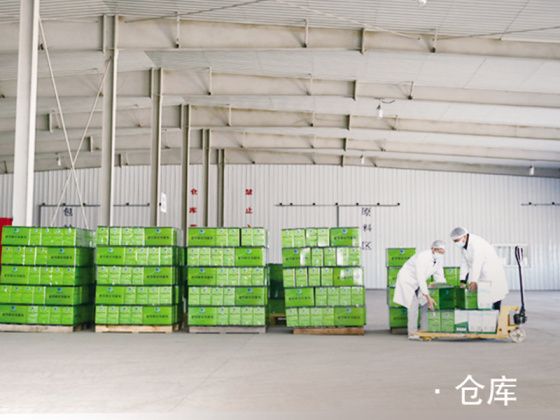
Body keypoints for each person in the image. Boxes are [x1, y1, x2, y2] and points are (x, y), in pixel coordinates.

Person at [393, 240, 447, 340]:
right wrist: (428, 297)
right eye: (439, 252)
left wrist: (445, 291)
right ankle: (412, 333)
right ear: (432, 249)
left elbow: (440, 276)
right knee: (413, 305)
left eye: (442, 252)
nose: (440, 254)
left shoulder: (439, 260)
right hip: (408, 281)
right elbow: (420, 278)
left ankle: (424, 331)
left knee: (425, 304)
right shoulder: (422, 257)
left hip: (418, 282)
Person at [450, 227, 508, 310]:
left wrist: (474, 280)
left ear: (464, 236)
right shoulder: (464, 247)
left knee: (495, 296)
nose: (456, 243)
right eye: (455, 241)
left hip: (491, 273)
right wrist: (463, 281)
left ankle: (496, 315)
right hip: (482, 274)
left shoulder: (476, 243)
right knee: (484, 298)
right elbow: (464, 264)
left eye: (457, 240)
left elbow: (477, 262)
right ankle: (486, 315)